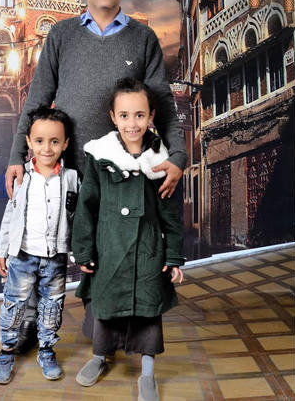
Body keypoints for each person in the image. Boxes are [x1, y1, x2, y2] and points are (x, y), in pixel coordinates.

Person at [4, 0, 187, 350]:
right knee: (48, 256)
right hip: (66, 172)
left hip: (122, 174)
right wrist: (18, 156)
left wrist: (177, 157)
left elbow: (164, 105)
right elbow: (37, 100)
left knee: (110, 255)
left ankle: (110, 340)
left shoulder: (143, 39)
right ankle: (29, 333)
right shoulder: (62, 35)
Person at [71, 78, 184, 401]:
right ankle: (99, 357)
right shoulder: (100, 156)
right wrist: (83, 250)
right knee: (105, 307)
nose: (131, 123)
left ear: (150, 117)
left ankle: (147, 375)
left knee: (148, 310)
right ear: (113, 117)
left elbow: (170, 213)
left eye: (139, 115)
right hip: (109, 249)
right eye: (124, 115)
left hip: (148, 250)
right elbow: (87, 207)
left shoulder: (160, 161)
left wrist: (173, 255)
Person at [0, 107, 79, 384]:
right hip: (23, 255)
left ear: (65, 143)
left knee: (52, 307)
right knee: (13, 305)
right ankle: (6, 352)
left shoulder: (72, 178)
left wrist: (78, 250)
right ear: (28, 141)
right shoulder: (22, 177)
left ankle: (47, 350)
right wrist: (2, 250)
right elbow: (10, 215)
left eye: (55, 141)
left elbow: (77, 217)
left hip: (55, 258)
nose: (47, 148)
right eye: (40, 141)